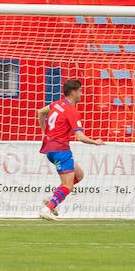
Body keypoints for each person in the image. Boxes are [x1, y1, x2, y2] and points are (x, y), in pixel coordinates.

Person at [36, 79, 105, 220]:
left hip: (50, 148)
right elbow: (79, 136)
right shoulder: (71, 111)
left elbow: (41, 112)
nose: (81, 93)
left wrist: (45, 132)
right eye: (80, 90)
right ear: (73, 92)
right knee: (68, 186)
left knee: (79, 175)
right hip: (60, 149)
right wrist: (95, 142)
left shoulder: (56, 104)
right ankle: (47, 209)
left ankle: (53, 198)